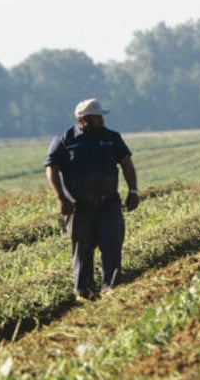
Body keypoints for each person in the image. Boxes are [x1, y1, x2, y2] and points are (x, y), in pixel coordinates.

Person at [45, 98, 139, 301]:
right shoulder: (64, 140)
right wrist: (62, 198)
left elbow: (127, 164)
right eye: (97, 117)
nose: (101, 120)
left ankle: (112, 289)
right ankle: (84, 292)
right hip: (79, 206)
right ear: (84, 119)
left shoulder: (112, 138)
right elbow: (51, 170)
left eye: (101, 116)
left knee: (112, 246)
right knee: (82, 248)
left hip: (109, 203)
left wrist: (133, 191)